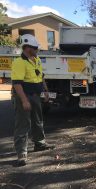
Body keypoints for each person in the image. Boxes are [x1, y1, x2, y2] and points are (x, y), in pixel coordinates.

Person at [11, 34, 55, 167]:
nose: (37, 50)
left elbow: (40, 76)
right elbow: (17, 84)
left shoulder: (37, 60)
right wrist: (24, 100)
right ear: (28, 48)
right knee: (23, 124)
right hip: (23, 96)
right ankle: (21, 154)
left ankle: (40, 144)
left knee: (38, 120)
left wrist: (46, 90)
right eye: (35, 48)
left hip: (36, 95)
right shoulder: (19, 62)